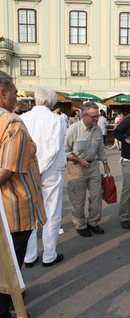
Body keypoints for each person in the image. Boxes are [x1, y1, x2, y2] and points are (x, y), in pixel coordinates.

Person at [0, 71, 46, 318]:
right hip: (14, 207)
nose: (16, 98)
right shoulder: (11, 123)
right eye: (15, 93)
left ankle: (13, 292)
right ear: (2, 93)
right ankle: (7, 305)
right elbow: (6, 170)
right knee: (10, 260)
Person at [21, 86, 66, 268]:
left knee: (30, 212)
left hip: (27, 170)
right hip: (50, 171)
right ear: (51, 101)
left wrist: (33, 168)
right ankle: (49, 254)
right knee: (51, 212)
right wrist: (40, 168)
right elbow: (54, 148)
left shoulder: (23, 118)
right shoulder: (57, 120)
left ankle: (29, 255)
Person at [65, 102, 111, 237]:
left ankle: (93, 222)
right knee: (78, 200)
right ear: (84, 116)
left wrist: (105, 163)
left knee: (96, 195)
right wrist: (78, 159)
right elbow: (64, 151)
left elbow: (101, 147)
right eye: (93, 117)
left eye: (97, 116)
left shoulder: (97, 129)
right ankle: (81, 225)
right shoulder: (73, 129)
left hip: (93, 167)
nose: (97, 119)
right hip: (76, 169)